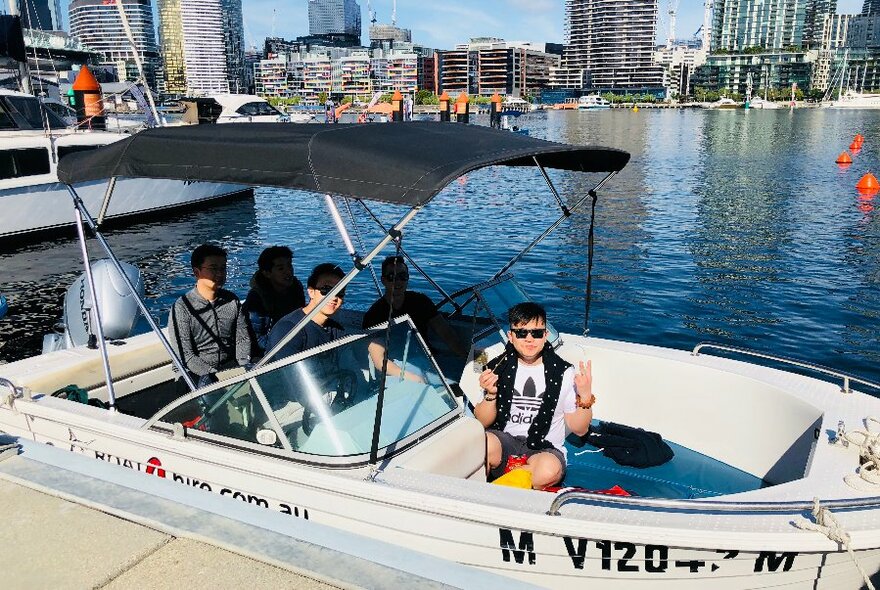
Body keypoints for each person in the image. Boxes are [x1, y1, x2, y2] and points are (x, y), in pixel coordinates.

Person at [475, 302, 594, 490]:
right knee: (481, 446)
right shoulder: (497, 367)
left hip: (544, 448)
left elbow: (579, 429)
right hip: (505, 440)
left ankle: (503, 485)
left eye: (536, 333)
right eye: (522, 333)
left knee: (549, 470)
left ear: (545, 335)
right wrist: (491, 394)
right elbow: (482, 421)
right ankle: (510, 482)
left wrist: (585, 396)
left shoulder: (564, 372)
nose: (529, 339)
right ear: (511, 336)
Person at [362, 256, 468, 380]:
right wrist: (412, 377)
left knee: (476, 369)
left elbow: (445, 333)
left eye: (403, 276)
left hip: (429, 358)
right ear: (383, 280)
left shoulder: (421, 301)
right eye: (392, 277)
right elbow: (379, 360)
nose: (398, 281)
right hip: (398, 365)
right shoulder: (374, 314)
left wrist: (465, 357)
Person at [167, 244, 252, 389]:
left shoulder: (232, 301)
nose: (220, 273)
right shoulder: (182, 308)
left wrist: (244, 367)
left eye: (223, 268)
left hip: (228, 365)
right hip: (194, 372)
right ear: (197, 272)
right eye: (213, 268)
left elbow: (242, 339)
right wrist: (215, 375)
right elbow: (186, 356)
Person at [265, 263, 345, 360]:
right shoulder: (288, 329)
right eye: (326, 290)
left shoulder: (336, 329)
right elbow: (289, 373)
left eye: (340, 292)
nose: (334, 297)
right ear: (311, 292)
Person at [244, 246, 306, 356]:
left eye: (290, 266)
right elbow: (256, 337)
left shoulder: (296, 288)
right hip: (266, 351)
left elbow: (301, 317)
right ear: (267, 273)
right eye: (281, 268)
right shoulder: (256, 298)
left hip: (291, 339)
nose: (288, 272)